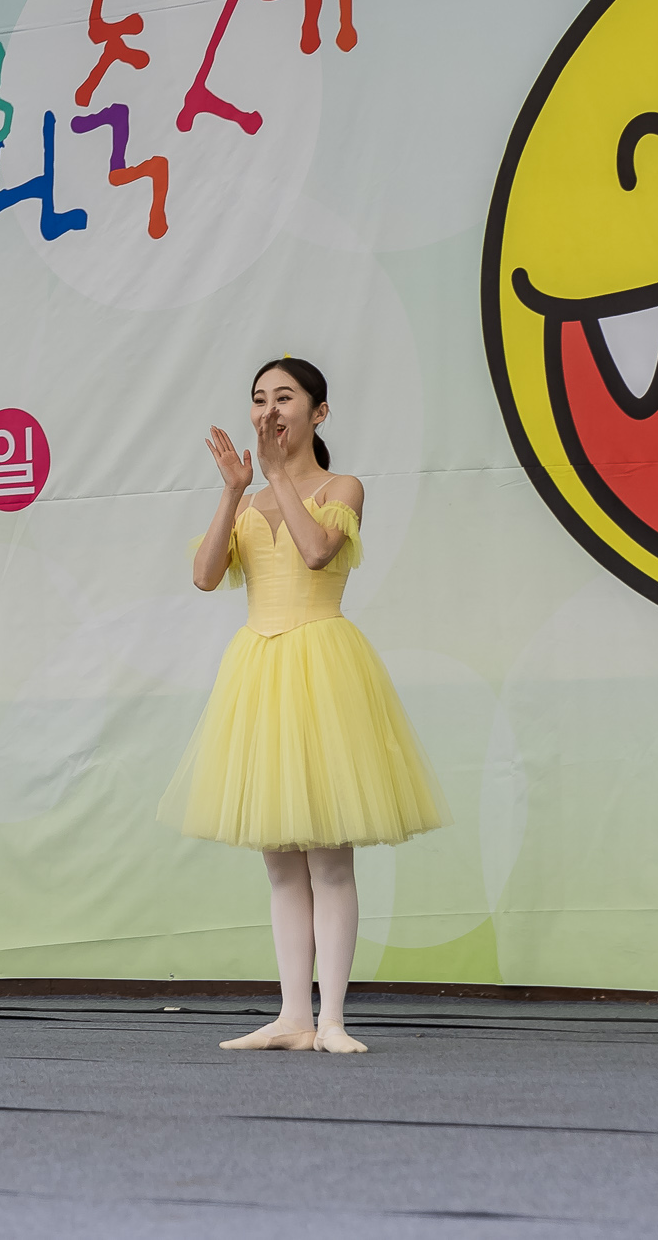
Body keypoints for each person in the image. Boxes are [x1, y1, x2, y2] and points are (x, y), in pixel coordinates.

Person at [166, 357, 449, 1054]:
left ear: (318, 413)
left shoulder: (339, 485)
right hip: (259, 673)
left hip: (322, 668)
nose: (269, 410)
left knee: (329, 859)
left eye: (284, 397)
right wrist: (235, 491)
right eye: (260, 398)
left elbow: (319, 550)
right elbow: (206, 576)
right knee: (281, 861)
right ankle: (293, 1013)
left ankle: (332, 1018)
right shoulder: (252, 496)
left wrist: (277, 478)